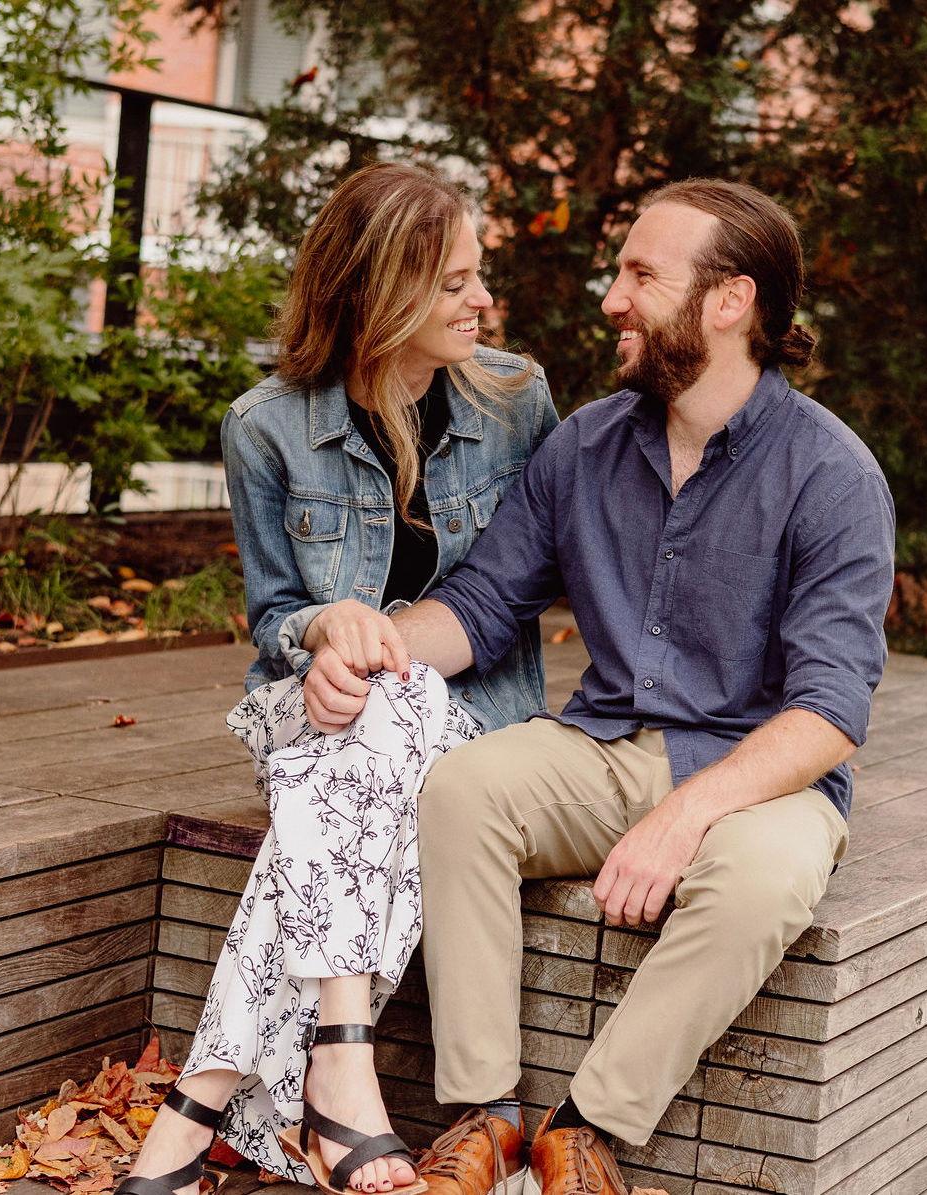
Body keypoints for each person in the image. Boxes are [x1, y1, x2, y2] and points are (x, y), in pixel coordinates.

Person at [300, 179, 896, 1195]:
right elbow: (483, 605)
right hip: (606, 743)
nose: (612, 299)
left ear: (729, 301)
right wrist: (364, 642)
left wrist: (684, 817)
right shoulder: (585, 444)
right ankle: (485, 1119)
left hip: (759, 777)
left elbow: (830, 710)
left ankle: (584, 1131)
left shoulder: (831, 475)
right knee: (464, 787)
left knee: (761, 880)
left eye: (640, 276)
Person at [114, 162, 558, 1195]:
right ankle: (335, 1071)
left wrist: (378, 653)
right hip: (313, 715)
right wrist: (323, 630)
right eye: (455, 282)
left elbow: (526, 584)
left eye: (478, 276)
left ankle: (199, 1106)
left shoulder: (515, 400)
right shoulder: (265, 425)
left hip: (469, 715)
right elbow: (274, 613)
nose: (483, 300)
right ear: (379, 290)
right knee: (366, 719)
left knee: (387, 706)